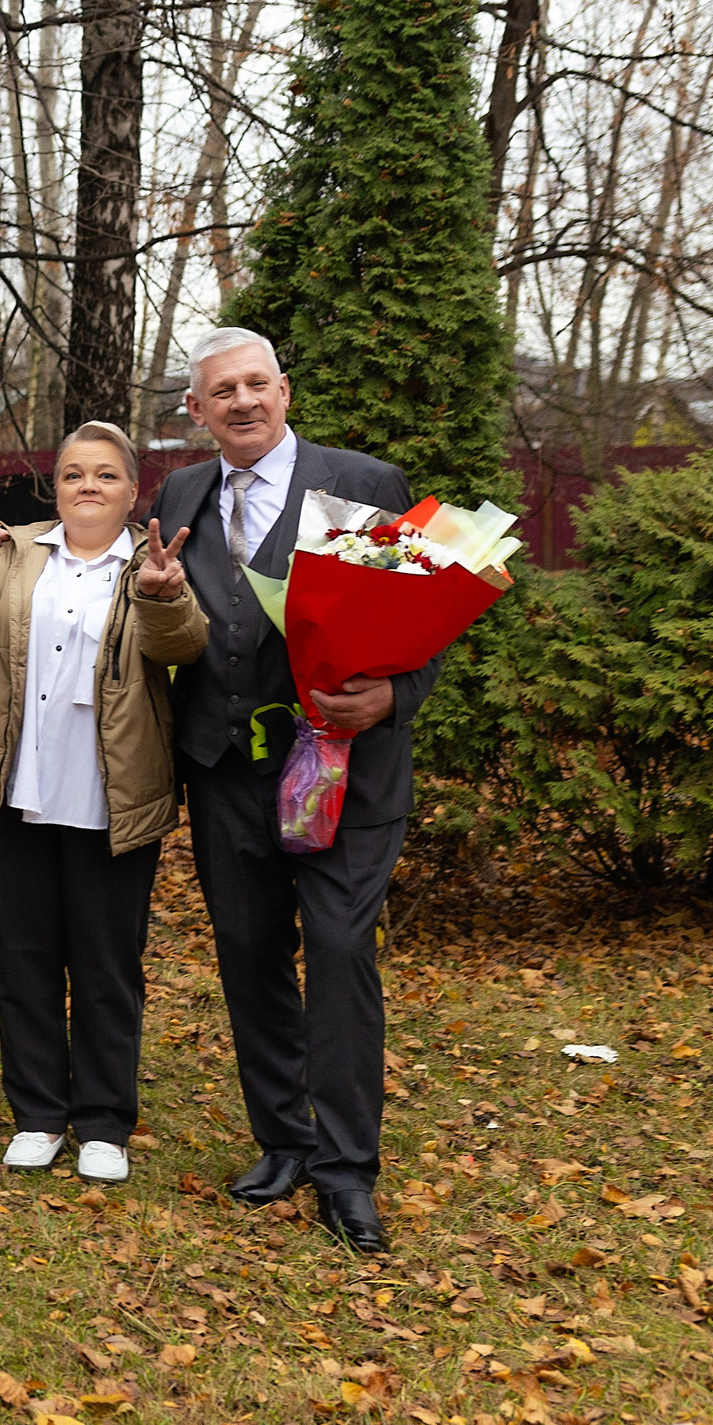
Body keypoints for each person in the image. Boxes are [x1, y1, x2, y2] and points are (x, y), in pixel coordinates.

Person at [148, 325, 437, 1253]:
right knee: (249, 949)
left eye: (257, 384)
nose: (243, 401)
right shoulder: (183, 492)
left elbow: (427, 620)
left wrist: (395, 694)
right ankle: (284, 1137)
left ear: (285, 390)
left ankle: (348, 1170)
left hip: (346, 767)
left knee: (342, 949)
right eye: (221, 392)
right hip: (228, 768)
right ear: (196, 412)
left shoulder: (365, 483)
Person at [0, 422, 205, 1182]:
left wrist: (163, 599)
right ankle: (39, 1114)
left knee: (107, 963)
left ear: (131, 491)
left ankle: (105, 1122)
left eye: (106, 475)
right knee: (24, 960)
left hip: (111, 795)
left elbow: (182, 646)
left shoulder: (155, 563)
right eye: (74, 472)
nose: (88, 485)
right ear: (54, 487)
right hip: (15, 787)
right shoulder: (13, 552)